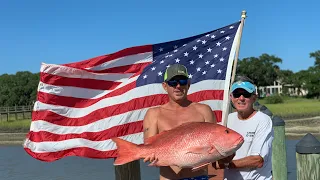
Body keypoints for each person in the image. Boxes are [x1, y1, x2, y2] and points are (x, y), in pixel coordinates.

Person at [142, 64, 218, 180]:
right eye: (173, 82)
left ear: (188, 84)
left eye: (182, 81)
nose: (178, 86)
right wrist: (150, 155)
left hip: (198, 177)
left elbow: (215, 148)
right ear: (165, 86)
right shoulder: (154, 114)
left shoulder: (204, 110)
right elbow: (149, 148)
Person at [213, 76, 274, 180]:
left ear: (254, 97)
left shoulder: (263, 120)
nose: (241, 98)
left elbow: (257, 160)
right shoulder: (227, 119)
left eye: (246, 94)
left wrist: (227, 165)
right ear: (231, 97)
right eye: (237, 95)